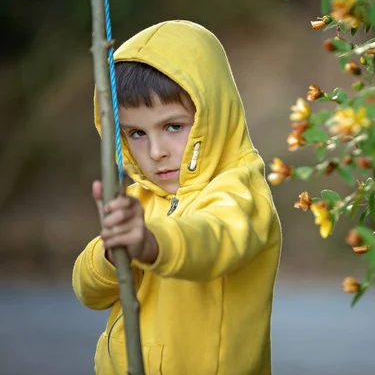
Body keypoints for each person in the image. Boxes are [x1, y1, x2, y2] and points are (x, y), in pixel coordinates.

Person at [72, 20, 282, 375]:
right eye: (136, 133)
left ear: (211, 114)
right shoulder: (139, 198)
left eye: (173, 127)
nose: (156, 151)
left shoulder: (240, 193)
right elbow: (89, 294)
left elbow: (212, 239)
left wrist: (152, 243)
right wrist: (110, 253)